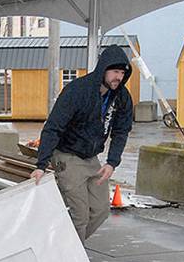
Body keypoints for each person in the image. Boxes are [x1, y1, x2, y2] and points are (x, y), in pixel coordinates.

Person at [30, 45, 134, 240]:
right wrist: (41, 165)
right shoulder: (78, 90)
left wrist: (112, 162)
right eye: (114, 71)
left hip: (91, 157)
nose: (118, 77)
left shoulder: (121, 97)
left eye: (122, 73)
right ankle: (70, 255)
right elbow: (53, 127)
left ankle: (64, 246)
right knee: (80, 215)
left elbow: (121, 131)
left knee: (101, 210)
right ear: (103, 69)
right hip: (67, 155)